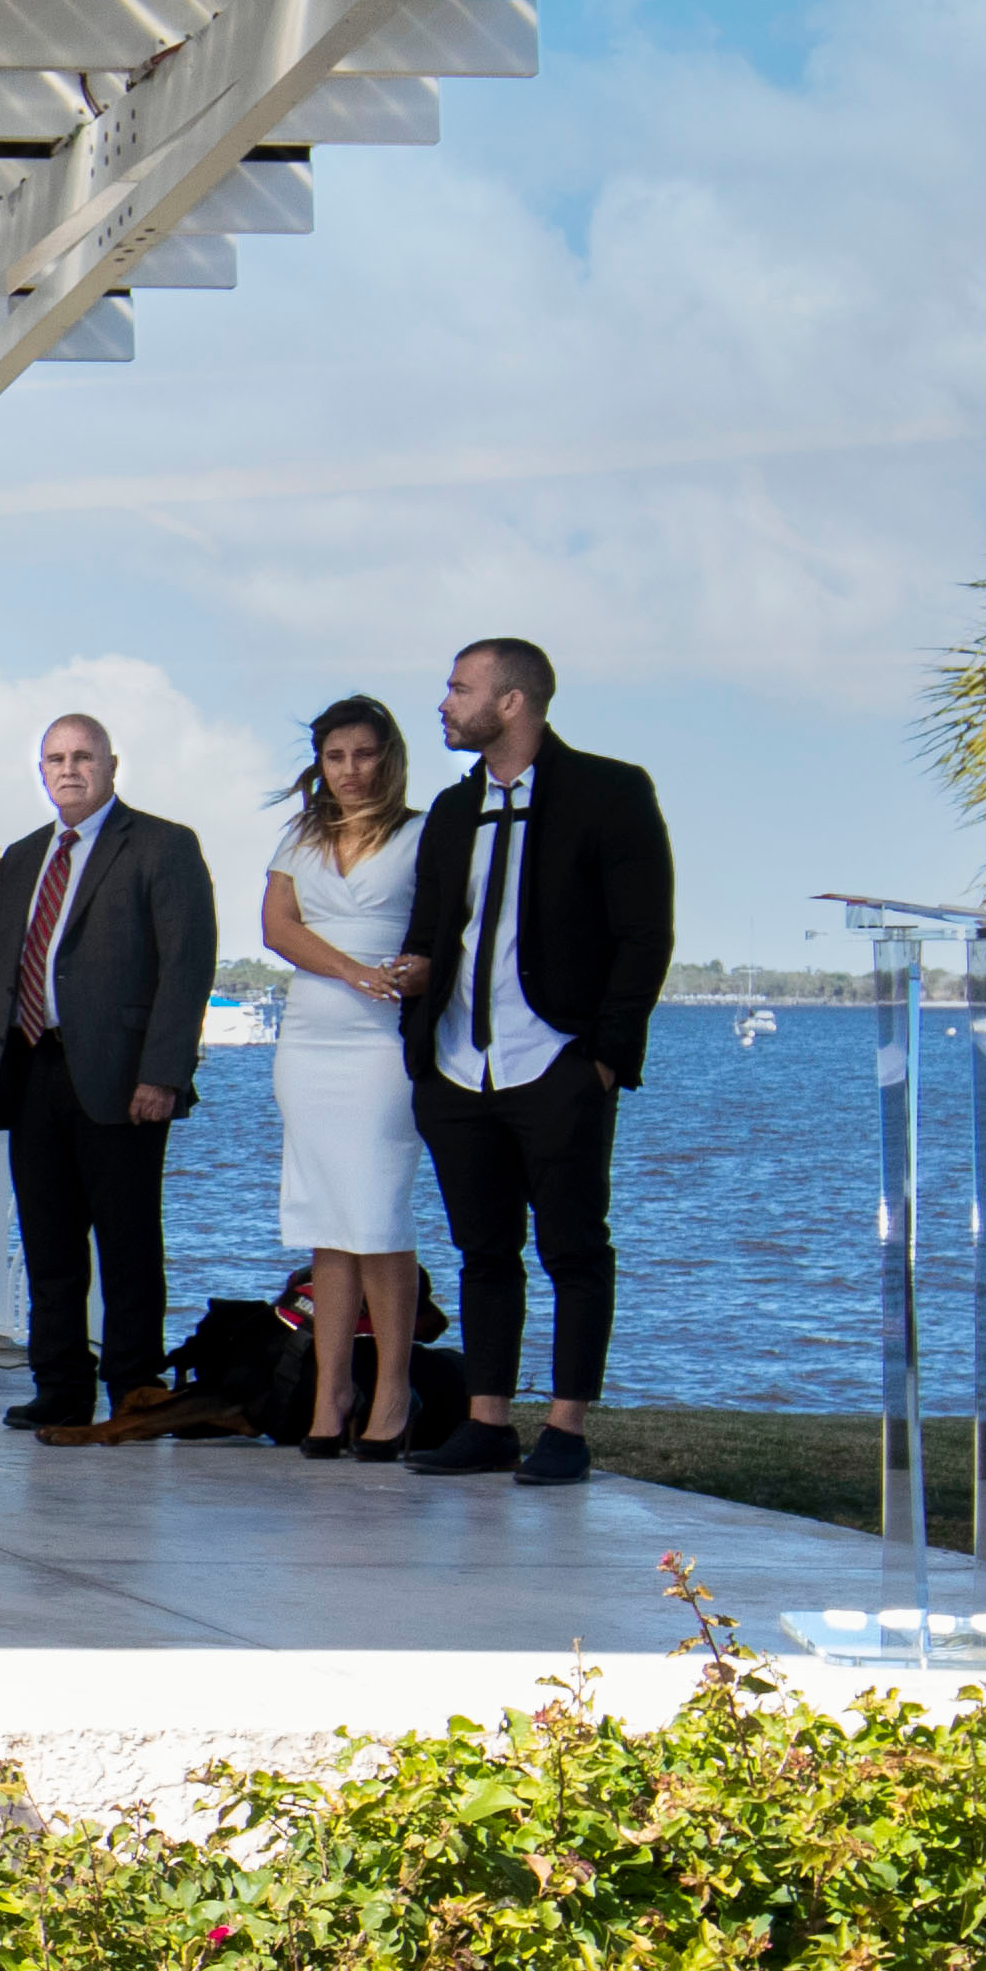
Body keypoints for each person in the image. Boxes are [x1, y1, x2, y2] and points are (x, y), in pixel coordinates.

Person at [393, 636, 674, 1489]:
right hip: (457, 1067)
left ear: (512, 701)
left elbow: (644, 934)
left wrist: (604, 1059)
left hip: (556, 1061)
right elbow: (434, 929)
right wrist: (416, 988)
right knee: (484, 1252)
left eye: (459, 688)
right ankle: (486, 1423)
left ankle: (565, 1428)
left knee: (574, 1249)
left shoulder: (610, 792)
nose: (443, 703)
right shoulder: (451, 810)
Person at [0, 714, 215, 1437]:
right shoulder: (23, 857)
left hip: (123, 1078)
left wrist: (163, 1073)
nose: (69, 769)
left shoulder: (162, 845)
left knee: (128, 1247)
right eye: (55, 759)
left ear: (111, 764)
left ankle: (133, 1386)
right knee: (49, 1245)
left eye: (83, 757)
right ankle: (59, 1384)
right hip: (33, 1070)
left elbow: (185, 968)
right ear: (42, 772)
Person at [261, 696, 437, 1460]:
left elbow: (450, 928)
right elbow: (278, 928)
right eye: (336, 757)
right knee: (327, 1224)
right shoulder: (299, 835)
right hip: (309, 1041)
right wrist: (351, 971)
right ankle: (332, 1394)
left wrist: (413, 972)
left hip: (382, 1048)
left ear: (388, 758)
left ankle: (392, 1392)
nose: (351, 771)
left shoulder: (425, 834)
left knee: (377, 1218)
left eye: (363, 755)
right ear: (320, 764)